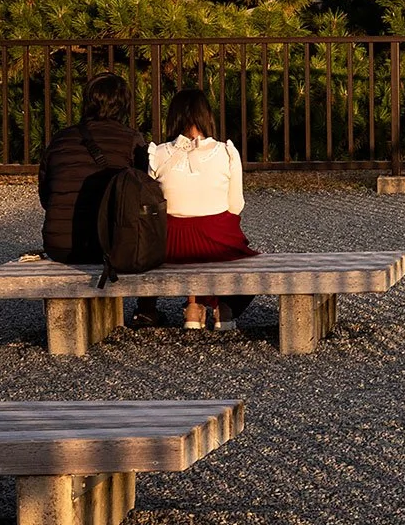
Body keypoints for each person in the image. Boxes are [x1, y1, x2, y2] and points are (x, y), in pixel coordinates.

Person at [38, 72, 163, 327]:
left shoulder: (60, 140)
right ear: (125, 104)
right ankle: (146, 308)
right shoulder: (131, 140)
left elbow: (45, 195)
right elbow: (144, 198)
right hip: (111, 247)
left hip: (60, 245)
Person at [148, 88, 258, 331]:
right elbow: (236, 205)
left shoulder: (158, 153)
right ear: (207, 116)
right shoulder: (226, 152)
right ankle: (223, 306)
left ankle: (193, 305)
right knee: (236, 246)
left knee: (183, 235)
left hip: (171, 244)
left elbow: (154, 205)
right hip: (217, 240)